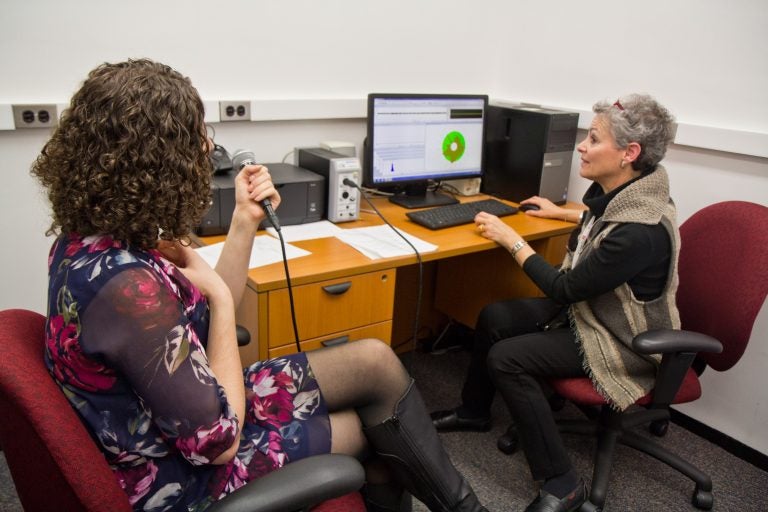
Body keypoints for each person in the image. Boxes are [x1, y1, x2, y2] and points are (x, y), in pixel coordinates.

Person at [32, 59, 488, 512]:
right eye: (198, 136)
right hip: (179, 471)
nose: (208, 147)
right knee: (371, 431)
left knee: (373, 361)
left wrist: (245, 220)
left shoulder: (94, 243)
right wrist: (224, 305)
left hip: (182, 409)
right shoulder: (127, 288)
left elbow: (201, 319)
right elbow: (219, 443)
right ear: (155, 162)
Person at [431, 93, 679, 512]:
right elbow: (601, 222)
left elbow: (564, 288)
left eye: (594, 139)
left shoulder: (639, 229)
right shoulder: (633, 193)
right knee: (494, 316)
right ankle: (474, 411)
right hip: (594, 314)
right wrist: (560, 214)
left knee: (508, 358)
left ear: (628, 153)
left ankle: (563, 482)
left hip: (621, 340)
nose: (581, 146)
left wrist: (512, 241)